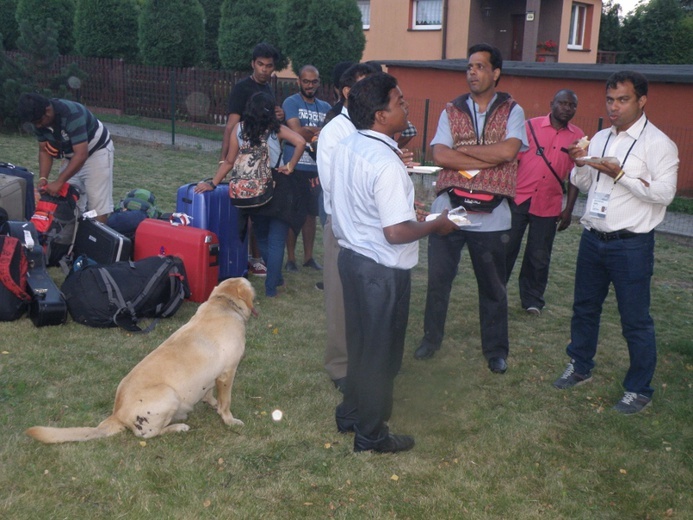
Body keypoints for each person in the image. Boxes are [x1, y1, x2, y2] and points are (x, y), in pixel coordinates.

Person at [330, 72, 458, 453]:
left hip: (352, 260)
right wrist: (436, 223)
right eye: (400, 102)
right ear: (381, 115)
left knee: (361, 344)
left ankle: (351, 413)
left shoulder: (349, 145)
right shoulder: (385, 162)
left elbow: (360, 205)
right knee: (381, 355)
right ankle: (371, 433)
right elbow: (396, 233)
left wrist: (405, 213)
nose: (406, 106)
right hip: (380, 271)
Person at [553, 71, 678, 415]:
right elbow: (584, 181)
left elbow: (665, 194)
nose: (614, 107)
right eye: (610, 99)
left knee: (635, 320)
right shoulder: (600, 138)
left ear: (642, 101)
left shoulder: (659, 144)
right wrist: (579, 161)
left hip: (631, 244)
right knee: (584, 308)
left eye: (623, 100)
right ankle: (579, 366)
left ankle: (638, 389)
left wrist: (619, 174)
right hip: (593, 238)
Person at [414, 43, 528, 375]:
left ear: (495, 73)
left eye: (479, 66)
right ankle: (430, 340)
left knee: (493, 287)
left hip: (493, 217)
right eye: (469, 67)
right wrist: (486, 155)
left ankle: (496, 350)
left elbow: (509, 151)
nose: (472, 72)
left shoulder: (513, 111)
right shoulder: (451, 110)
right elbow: (441, 156)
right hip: (450, 210)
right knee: (438, 281)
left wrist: (465, 151)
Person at [196, 92, 305, 297]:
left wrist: (213, 182)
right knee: (277, 239)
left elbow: (229, 161)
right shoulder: (276, 129)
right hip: (277, 186)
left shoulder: (239, 129)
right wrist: (289, 166)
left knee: (262, 235)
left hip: (250, 191)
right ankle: (271, 287)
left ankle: (275, 276)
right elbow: (300, 142)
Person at [316, 63, 381, 393]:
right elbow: (334, 185)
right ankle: (340, 366)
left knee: (370, 298)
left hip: (375, 229)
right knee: (341, 301)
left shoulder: (370, 127)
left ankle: (367, 358)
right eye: (368, 86)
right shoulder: (335, 132)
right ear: (347, 92)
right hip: (344, 229)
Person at [505, 89, 584, 315]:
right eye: (563, 103)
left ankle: (532, 300)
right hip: (519, 197)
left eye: (572, 105)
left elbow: (575, 177)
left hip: (548, 204)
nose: (567, 108)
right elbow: (513, 161)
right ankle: (495, 293)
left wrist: (568, 210)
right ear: (552, 103)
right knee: (506, 248)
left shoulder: (578, 137)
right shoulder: (530, 127)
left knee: (538, 255)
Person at [221, 42, 285, 277]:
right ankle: (242, 258)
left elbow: (270, 123)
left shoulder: (269, 89)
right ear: (252, 64)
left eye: (269, 66)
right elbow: (231, 126)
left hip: (263, 165)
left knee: (260, 212)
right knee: (244, 212)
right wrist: (223, 161)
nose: (264, 70)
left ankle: (255, 258)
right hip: (242, 163)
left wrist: (279, 115)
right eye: (260, 64)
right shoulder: (241, 88)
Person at [17, 93, 114, 223]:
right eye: (35, 123)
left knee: (97, 205)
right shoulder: (38, 118)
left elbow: (81, 154)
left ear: (48, 111)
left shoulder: (72, 114)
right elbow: (44, 150)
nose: (38, 126)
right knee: (67, 202)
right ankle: (70, 240)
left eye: (39, 122)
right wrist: (43, 178)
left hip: (96, 151)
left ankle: (99, 240)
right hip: (71, 156)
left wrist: (59, 181)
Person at [282, 65, 331, 272]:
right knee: (294, 213)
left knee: (311, 214)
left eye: (314, 82)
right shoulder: (290, 102)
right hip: (294, 166)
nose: (310, 85)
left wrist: (309, 131)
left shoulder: (326, 106)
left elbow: (328, 135)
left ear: (318, 82)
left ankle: (308, 257)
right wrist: (313, 132)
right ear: (299, 82)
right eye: (306, 81)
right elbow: (296, 131)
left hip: (316, 168)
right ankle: (291, 259)